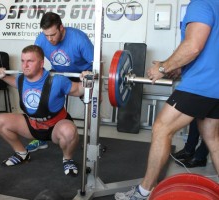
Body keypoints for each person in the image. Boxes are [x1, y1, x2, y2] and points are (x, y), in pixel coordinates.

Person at [115, 1, 219, 199]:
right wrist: (177, 67)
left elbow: (193, 46)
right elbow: (210, 47)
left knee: (162, 128)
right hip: (216, 85)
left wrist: (162, 68)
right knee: (213, 139)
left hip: (201, 84)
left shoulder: (201, 3)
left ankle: (144, 192)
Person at [0, 45, 85, 176]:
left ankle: (67, 159)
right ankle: (22, 153)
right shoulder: (21, 79)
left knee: (69, 131)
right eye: (23, 61)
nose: (25, 65)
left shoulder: (57, 81)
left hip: (56, 127)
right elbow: (14, 82)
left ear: (41, 63)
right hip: (33, 126)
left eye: (30, 61)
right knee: (0, 121)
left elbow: (78, 90)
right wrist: (2, 76)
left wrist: (87, 79)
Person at [25, 11, 94, 152]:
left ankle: (90, 141)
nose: (49, 39)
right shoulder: (41, 39)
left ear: (61, 28)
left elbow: (97, 64)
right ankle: (41, 137)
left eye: (53, 35)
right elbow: (36, 62)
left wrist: (90, 74)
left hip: (82, 73)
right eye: (46, 35)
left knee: (93, 101)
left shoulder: (79, 39)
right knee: (39, 94)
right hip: (59, 73)